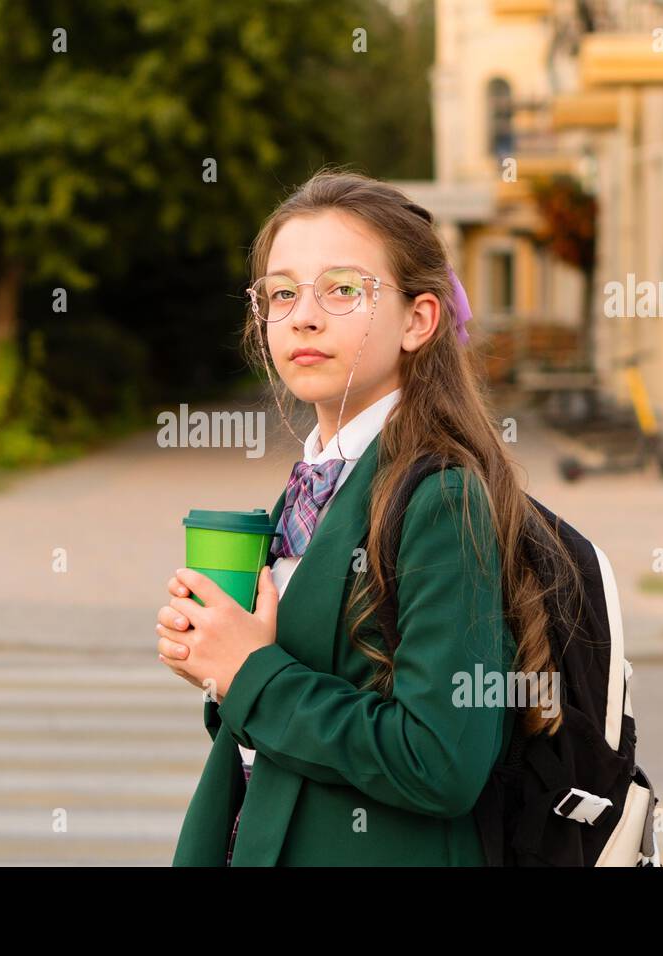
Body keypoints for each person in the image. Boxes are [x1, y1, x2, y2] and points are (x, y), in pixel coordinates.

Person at [156, 168, 578, 866]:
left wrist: (249, 670)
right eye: (282, 294)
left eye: (344, 289)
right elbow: (293, 712)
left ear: (419, 319)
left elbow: (440, 759)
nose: (305, 317)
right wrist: (215, 664)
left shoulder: (441, 497)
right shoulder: (313, 484)